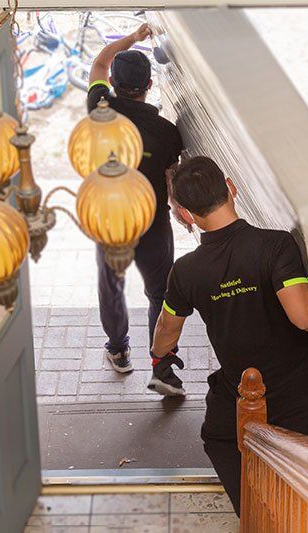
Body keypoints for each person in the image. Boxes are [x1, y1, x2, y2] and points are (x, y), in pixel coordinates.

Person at [148, 156, 308, 514]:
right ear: (231, 188)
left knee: (221, 439)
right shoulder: (275, 246)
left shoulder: (185, 273)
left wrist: (159, 355)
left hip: (243, 384)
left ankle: (258, 515)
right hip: (295, 385)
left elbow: (167, 331)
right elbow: (305, 315)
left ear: (185, 214)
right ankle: (272, 513)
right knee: (284, 456)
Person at [87, 23, 183, 375]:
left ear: (113, 84)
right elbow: (171, 176)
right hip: (153, 221)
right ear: (150, 86)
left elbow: (98, 64)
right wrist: (179, 209)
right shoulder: (168, 132)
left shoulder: (99, 109)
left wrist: (131, 38)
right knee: (161, 294)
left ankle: (119, 352)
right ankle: (162, 366)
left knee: (111, 286)